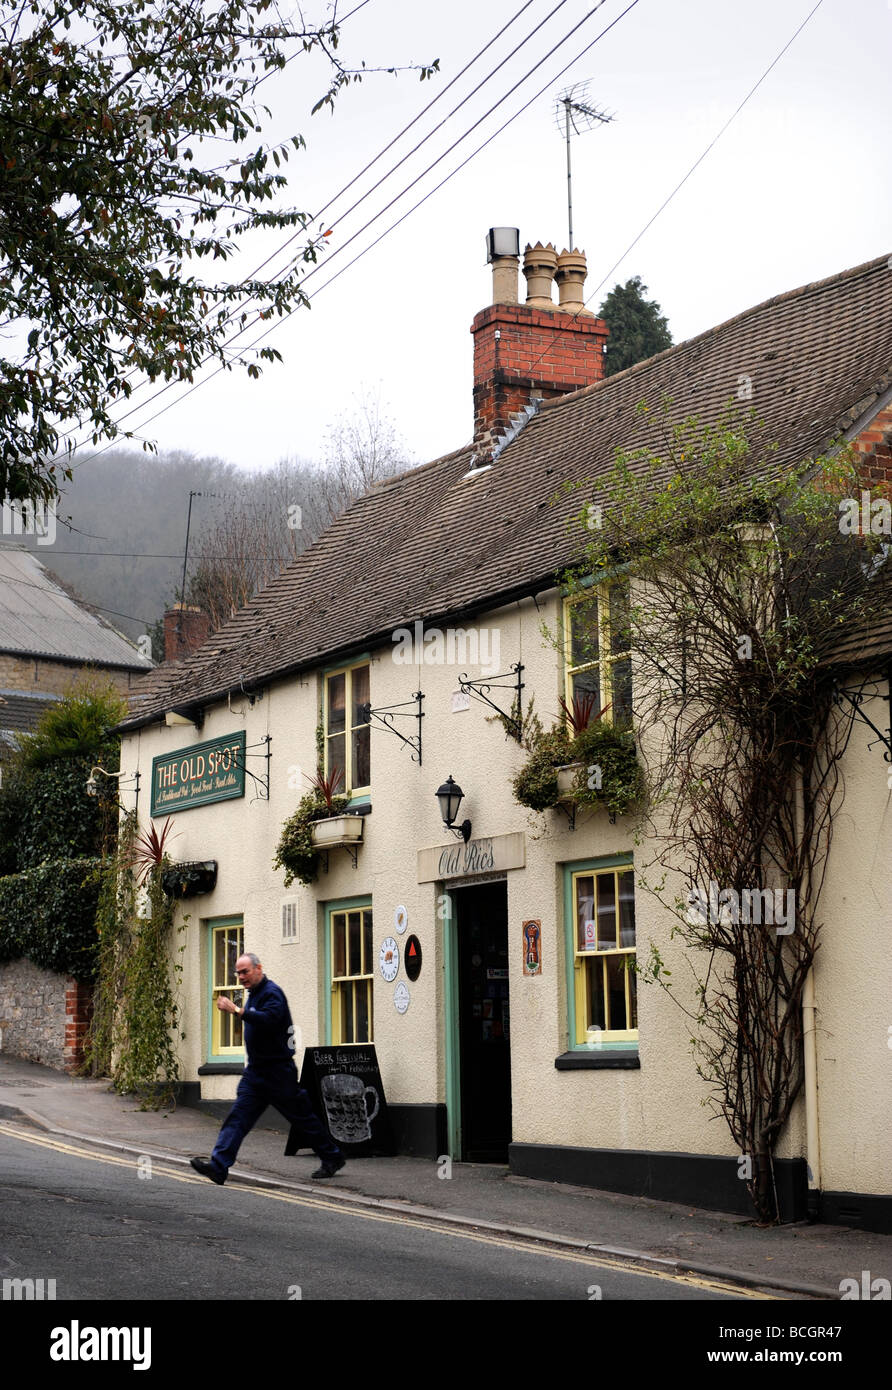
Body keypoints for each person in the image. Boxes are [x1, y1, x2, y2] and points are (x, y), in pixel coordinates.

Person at [190, 952, 345, 1184]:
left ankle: (332, 1156)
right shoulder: (254, 994)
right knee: (238, 1118)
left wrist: (237, 1010)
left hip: (278, 1072)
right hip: (256, 1073)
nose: (241, 977)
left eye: (245, 971)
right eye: (238, 972)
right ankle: (219, 1166)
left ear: (258, 968)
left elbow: (269, 1020)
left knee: (302, 1118)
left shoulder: (272, 993)